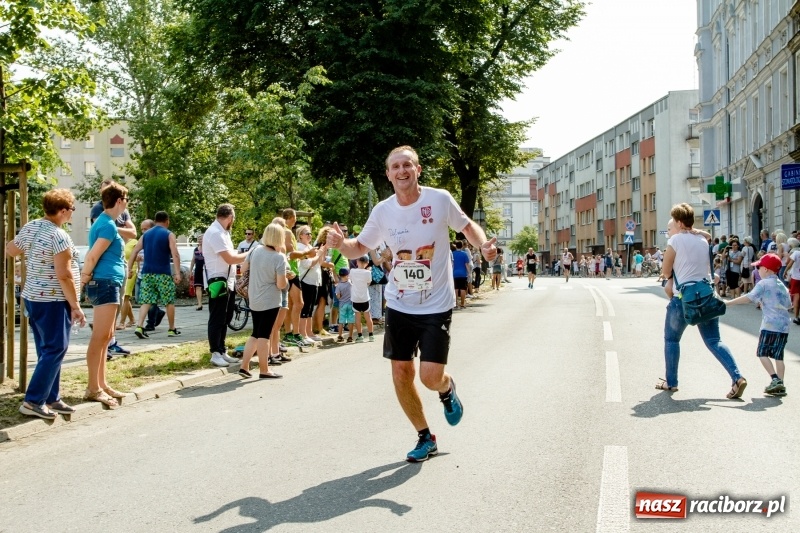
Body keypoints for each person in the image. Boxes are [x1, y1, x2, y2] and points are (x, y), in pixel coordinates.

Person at [325, 145, 497, 462]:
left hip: (436, 304)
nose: (402, 171)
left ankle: (446, 389)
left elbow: (467, 226)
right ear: (388, 174)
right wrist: (340, 244)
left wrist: (483, 244)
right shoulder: (382, 211)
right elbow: (359, 246)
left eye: (408, 165)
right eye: (395, 167)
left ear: (418, 170)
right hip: (400, 304)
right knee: (401, 373)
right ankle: (424, 436)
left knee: (429, 377)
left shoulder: (439, 199)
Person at [6, 189, 86, 419]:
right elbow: (64, 275)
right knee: (56, 348)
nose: (71, 213)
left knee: (46, 349)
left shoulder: (31, 226)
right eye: (71, 209)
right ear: (62, 211)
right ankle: (33, 401)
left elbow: (11, 250)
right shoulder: (59, 236)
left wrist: (31, 252)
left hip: (33, 297)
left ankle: (51, 397)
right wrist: (75, 306)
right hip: (53, 299)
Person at [659, 204, 747, 398]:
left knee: (672, 339)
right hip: (705, 295)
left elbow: (665, 272)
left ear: (680, 222)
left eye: (674, 221)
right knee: (714, 340)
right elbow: (706, 236)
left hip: (683, 298)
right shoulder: (703, 241)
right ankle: (737, 377)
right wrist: (695, 230)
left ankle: (671, 382)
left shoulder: (675, 240)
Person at [80, 182, 131, 408]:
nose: (127, 204)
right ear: (119, 201)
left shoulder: (106, 223)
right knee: (100, 337)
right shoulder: (108, 225)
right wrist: (82, 281)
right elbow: (92, 256)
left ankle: (101, 384)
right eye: (126, 200)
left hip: (108, 282)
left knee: (106, 336)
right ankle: (93, 388)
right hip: (104, 282)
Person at [727, 253, 790, 395]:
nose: (757, 270)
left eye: (759, 267)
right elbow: (788, 305)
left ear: (766, 269)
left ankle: (775, 379)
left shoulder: (763, 283)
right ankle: (780, 383)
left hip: (770, 325)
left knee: (762, 353)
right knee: (779, 356)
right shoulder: (782, 285)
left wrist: (728, 303)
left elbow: (749, 298)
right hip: (784, 326)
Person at [238, 223, 287, 379]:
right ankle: (264, 369)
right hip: (270, 300)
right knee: (264, 336)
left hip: (254, 298)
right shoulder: (279, 257)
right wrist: (287, 278)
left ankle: (244, 366)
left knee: (255, 333)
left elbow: (243, 268)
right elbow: (281, 284)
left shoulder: (255, 251)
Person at [204, 203, 248, 367]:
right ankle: (215, 352)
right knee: (217, 317)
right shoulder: (215, 233)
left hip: (227, 280)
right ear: (230, 217)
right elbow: (230, 258)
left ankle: (221, 350)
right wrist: (251, 253)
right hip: (217, 280)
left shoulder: (223, 232)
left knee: (226, 316)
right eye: (234, 219)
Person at [127, 211, 182, 339]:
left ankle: (140, 326)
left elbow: (135, 251)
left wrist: (129, 268)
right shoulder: (169, 234)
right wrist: (177, 273)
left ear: (155, 221)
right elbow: (175, 254)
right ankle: (171, 329)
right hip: (163, 273)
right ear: (167, 221)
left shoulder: (146, 235)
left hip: (147, 273)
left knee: (146, 301)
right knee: (169, 301)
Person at [350, 256, 375, 342]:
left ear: (357, 261)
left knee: (357, 317)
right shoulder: (368, 273)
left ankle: (360, 336)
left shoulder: (352, 271)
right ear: (367, 263)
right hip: (365, 297)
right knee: (368, 316)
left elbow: (351, 281)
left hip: (355, 298)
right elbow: (369, 282)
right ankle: (371, 335)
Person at [783, 238, 800, 325]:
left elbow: (789, 263)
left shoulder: (796, 253)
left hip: (796, 277)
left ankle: (796, 317)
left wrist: (785, 271)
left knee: (796, 297)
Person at [335, 268, 355, 343]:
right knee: (350, 320)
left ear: (339, 275)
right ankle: (350, 336)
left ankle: (340, 335)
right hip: (350, 304)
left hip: (342, 305)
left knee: (341, 321)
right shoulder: (350, 284)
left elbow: (338, 296)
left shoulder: (339, 285)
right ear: (347, 275)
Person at [452, 240, 471, 309]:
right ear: (462, 246)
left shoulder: (452, 254)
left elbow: (452, 264)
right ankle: (462, 304)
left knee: (456, 289)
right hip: (463, 273)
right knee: (463, 289)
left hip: (454, 273)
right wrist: (469, 273)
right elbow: (467, 264)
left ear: (456, 246)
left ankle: (456, 303)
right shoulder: (464, 254)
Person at [189, 234, 205, 310]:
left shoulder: (208, 249)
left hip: (206, 270)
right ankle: (199, 304)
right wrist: (190, 270)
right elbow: (193, 260)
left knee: (208, 287)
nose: (200, 240)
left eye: (201, 239)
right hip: (198, 270)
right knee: (198, 287)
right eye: (199, 239)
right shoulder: (195, 249)